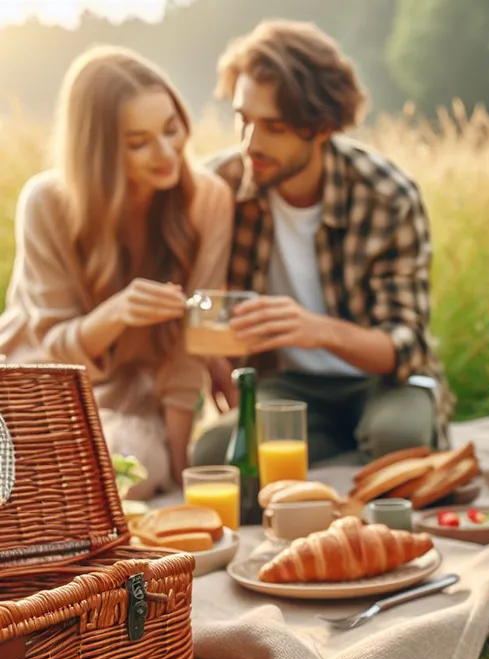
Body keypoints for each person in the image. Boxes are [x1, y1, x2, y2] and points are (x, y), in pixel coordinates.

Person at [190, 19, 454, 469]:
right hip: (285, 385)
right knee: (214, 455)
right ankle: (331, 445)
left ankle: (344, 445)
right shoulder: (220, 187)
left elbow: (404, 346)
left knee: (399, 442)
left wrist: (314, 329)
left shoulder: (386, 194)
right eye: (243, 119)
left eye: (274, 126)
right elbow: (193, 300)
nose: (251, 143)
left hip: (385, 381)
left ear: (322, 125)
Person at [0, 46, 234, 499]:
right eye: (138, 143)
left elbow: (193, 342)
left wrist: (182, 467)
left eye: (172, 129)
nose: (166, 152)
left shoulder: (208, 200)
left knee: (130, 466)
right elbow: (51, 347)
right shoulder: (46, 202)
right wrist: (115, 314)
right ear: (100, 151)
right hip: (38, 382)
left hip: (131, 397)